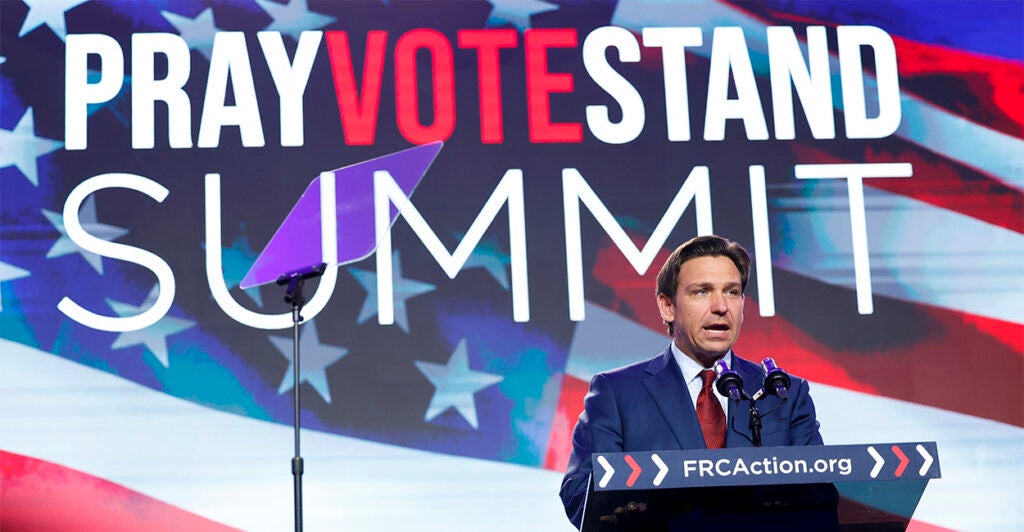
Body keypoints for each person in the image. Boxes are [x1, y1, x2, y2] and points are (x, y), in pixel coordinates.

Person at [559, 235, 824, 529]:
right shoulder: (617, 393)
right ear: (667, 306)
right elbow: (579, 492)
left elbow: (821, 496)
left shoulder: (783, 392)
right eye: (702, 292)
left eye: (732, 292)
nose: (721, 306)